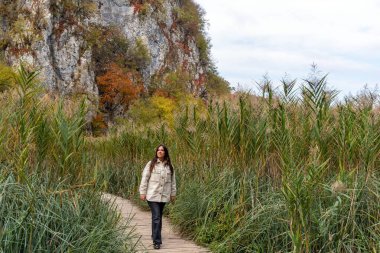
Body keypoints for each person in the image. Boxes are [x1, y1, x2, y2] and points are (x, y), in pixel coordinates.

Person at [139, 144, 176, 250]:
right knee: (156, 217)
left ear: (165, 152)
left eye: (162, 150)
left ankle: (154, 235)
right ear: (156, 152)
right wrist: (142, 192)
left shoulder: (170, 166)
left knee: (158, 216)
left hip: (164, 196)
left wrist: (173, 194)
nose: (160, 151)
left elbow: (173, 182)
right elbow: (144, 179)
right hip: (152, 195)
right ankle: (157, 241)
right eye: (158, 150)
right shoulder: (151, 164)